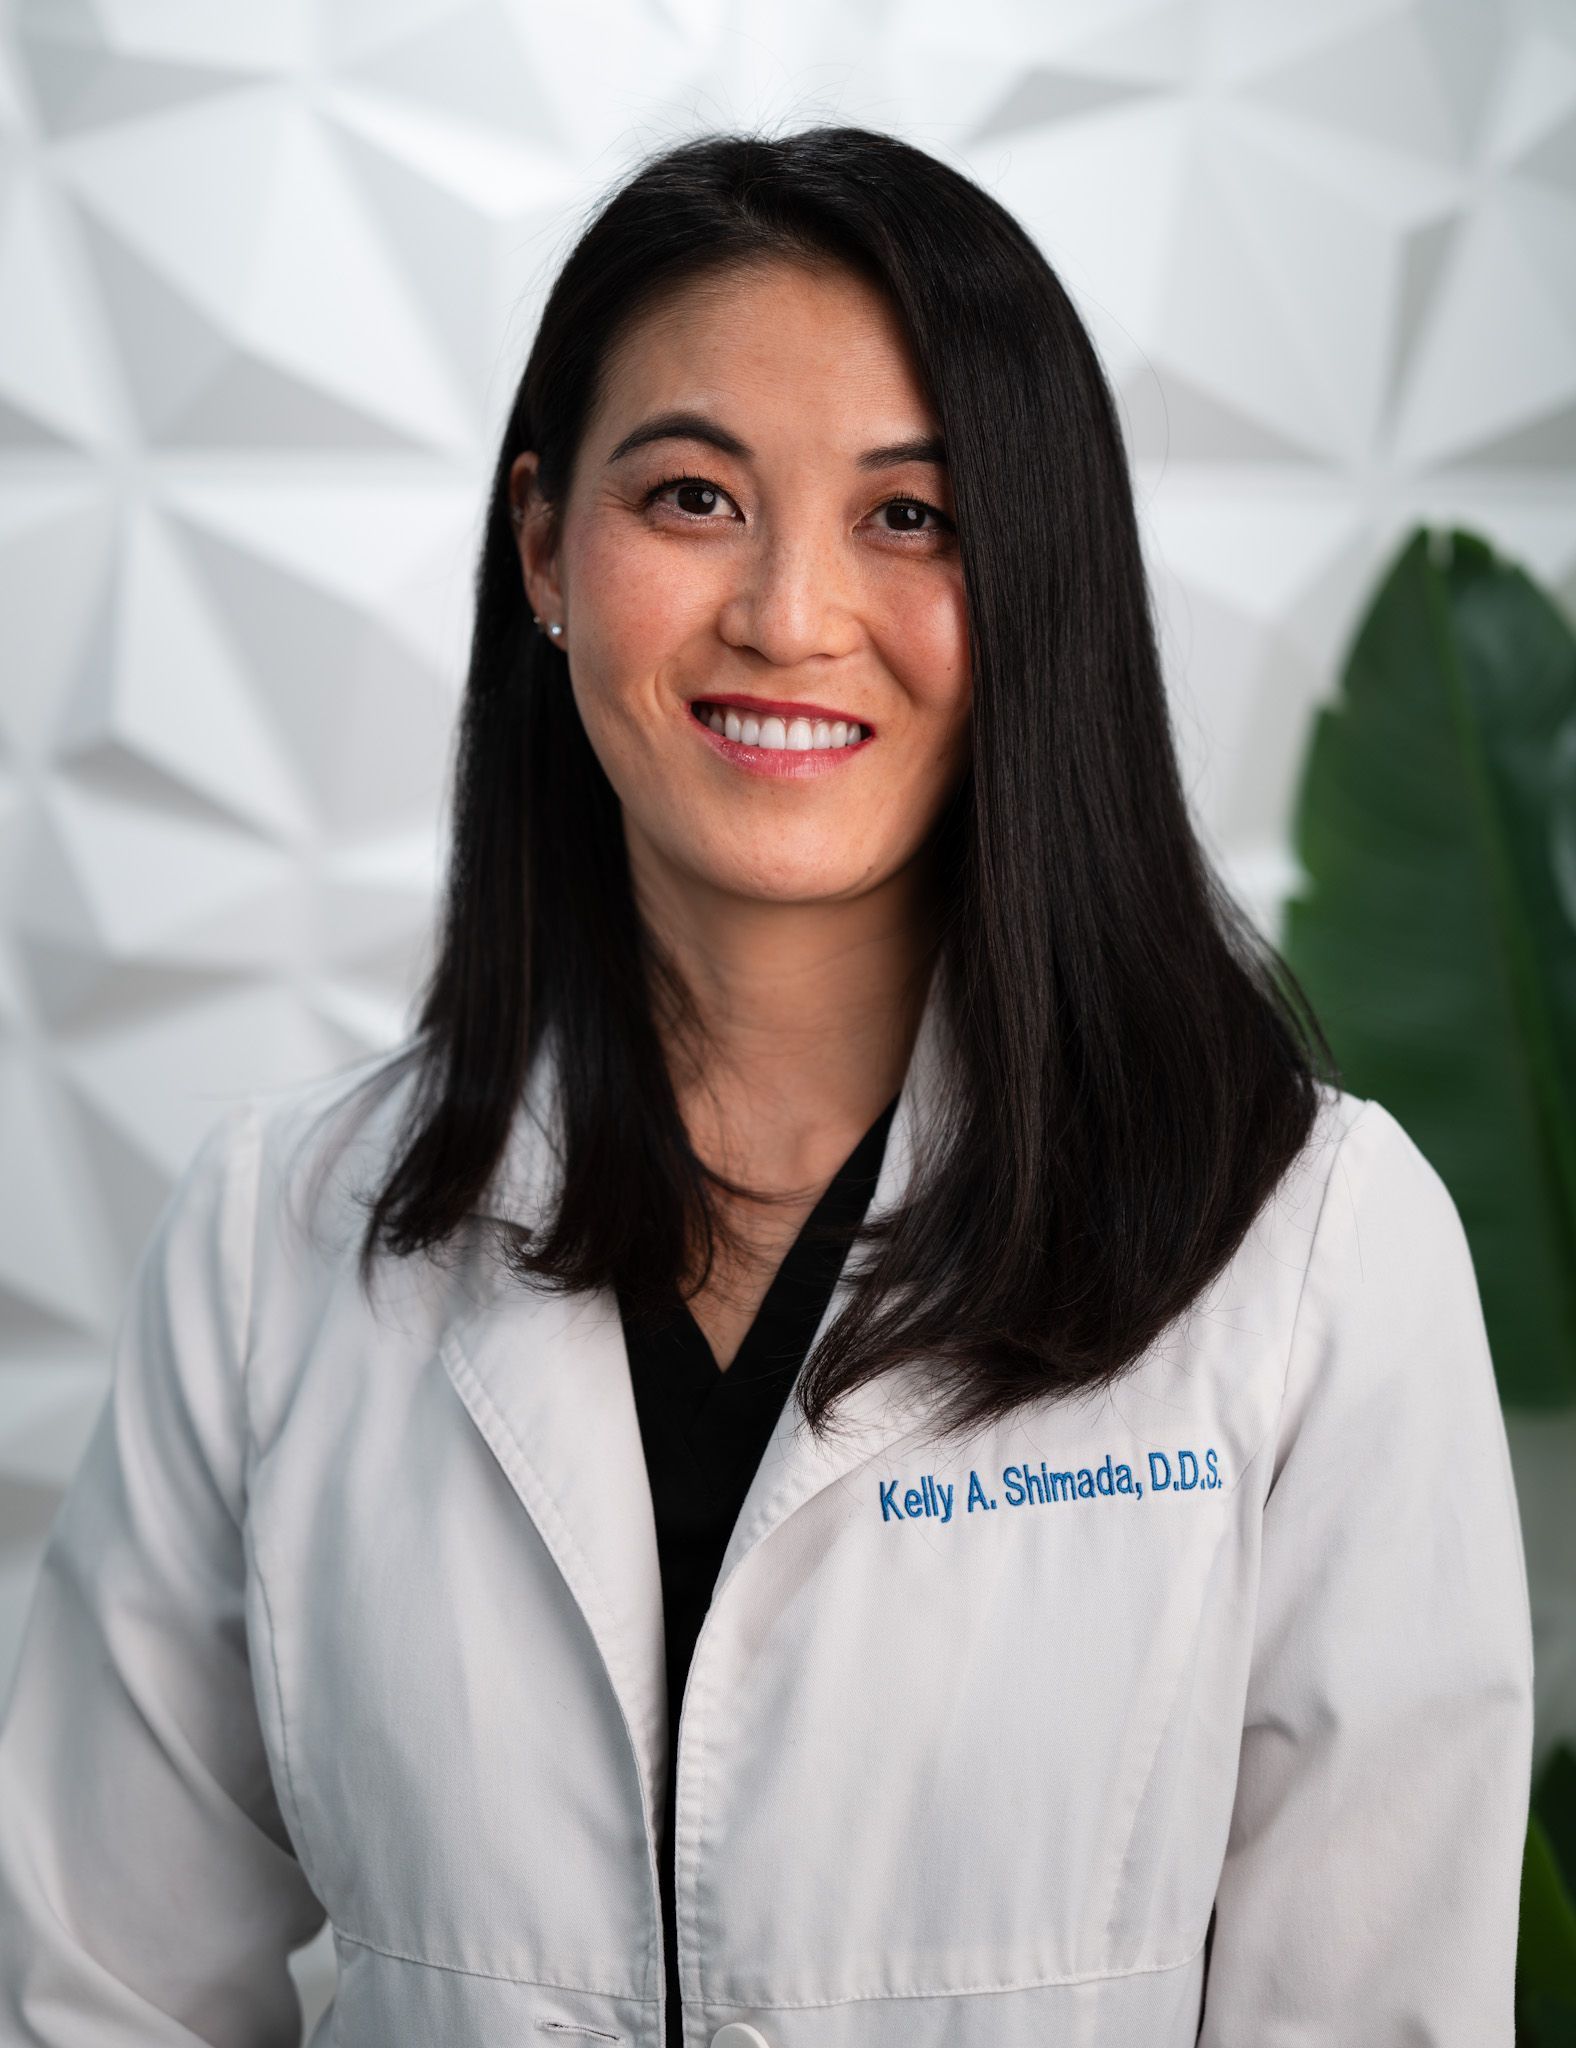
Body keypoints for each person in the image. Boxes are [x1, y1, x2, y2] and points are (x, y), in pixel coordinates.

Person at [0, 125, 1534, 2048]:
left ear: (1035, 580)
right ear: (546, 544)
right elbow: (105, 1993)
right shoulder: (269, 1239)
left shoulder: (1308, 1248)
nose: (792, 614)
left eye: (913, 517)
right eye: (695, 495)